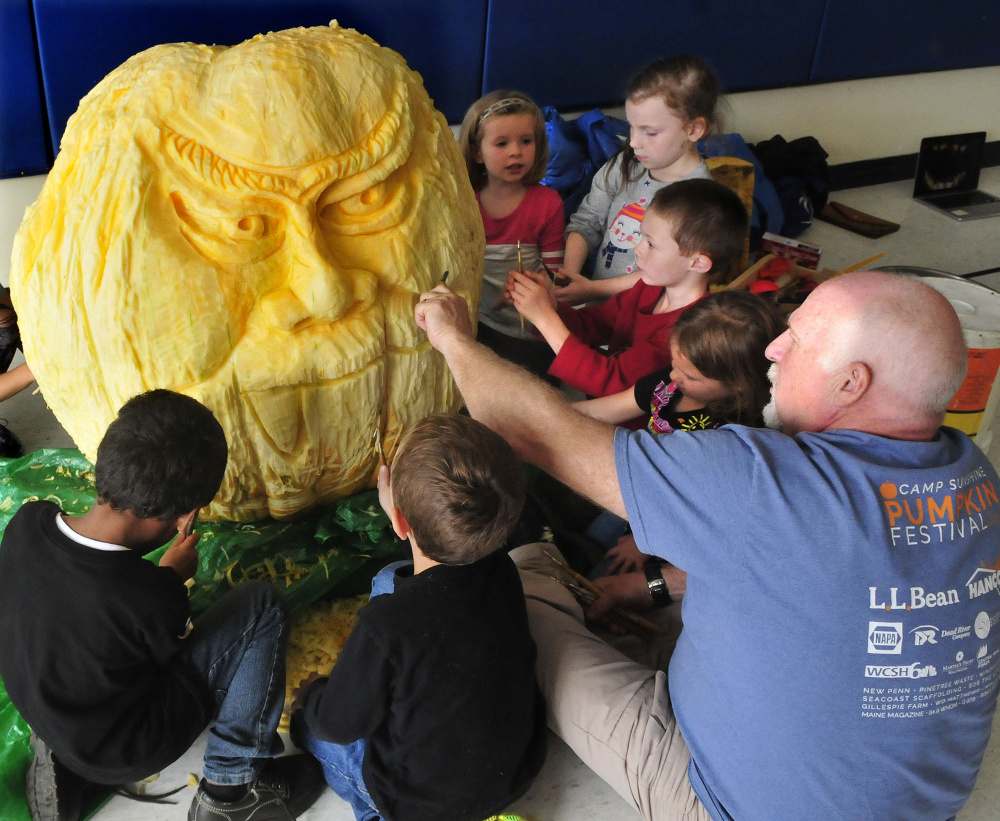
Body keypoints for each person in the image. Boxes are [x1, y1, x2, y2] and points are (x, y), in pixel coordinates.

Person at [413, 271, 1000, 821]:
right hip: (919, 804)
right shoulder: (974, 476)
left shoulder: (764, 482)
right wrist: (652, 586)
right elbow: (808, 568)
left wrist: (450, 336)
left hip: (736, 806)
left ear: (852, 382)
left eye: (795, 339)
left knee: (523, 583)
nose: (774, 350)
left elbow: (524, 429)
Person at [0, 389, 324, 821]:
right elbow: (165, 641)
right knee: (261, 606)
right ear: (182, 517)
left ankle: (61, 755)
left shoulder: (27, 521)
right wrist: (174, 576)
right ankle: (231, 792)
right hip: (131, 747)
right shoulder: (149, 596)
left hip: (49, 710)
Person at [291, 413, 548, 821]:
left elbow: (338, 726)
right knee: (392, 578)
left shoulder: (387, 626)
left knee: (309, 730)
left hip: (422, 805)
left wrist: (312, 694)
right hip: (510, 775)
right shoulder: (503, 570)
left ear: (398, 521)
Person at [576, 289, 785, 573]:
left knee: (603, 572)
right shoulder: (670, 384)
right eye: (674, 363)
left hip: (675, 528)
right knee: (587, 543)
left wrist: (644, 543)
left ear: (740, 383)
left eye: (691, 376)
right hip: (644, 494)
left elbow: (705, 506)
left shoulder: (732, 434)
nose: (674, 376)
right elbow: (602, 410)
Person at [508, 178, 747, 398]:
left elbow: (612, 380)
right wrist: (551, 306)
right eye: (642, 238)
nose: (638, 249)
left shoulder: (690, 332)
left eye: (651, 244)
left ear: (697, 263)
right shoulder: (648, 288)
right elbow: (593, 324)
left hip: (632, 435)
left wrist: (545, 318)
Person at [556, 55, 720, 306]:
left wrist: (591, 289)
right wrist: (571, 277)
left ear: (694, 129)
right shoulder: (624, 164)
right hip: (596, 307)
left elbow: (665, 273)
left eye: (650, 132)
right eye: (632, 127)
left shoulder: (699, 198)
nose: (633, 142)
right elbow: (586, 222)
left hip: (643, 319)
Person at [458, 90, 566, 377]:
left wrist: (529, 285)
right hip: (478, 325)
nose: (516, 152)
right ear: (477, 151)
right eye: (502, 143)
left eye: (526, 141)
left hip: (530, 330)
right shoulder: (462, 201)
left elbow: (554, 273)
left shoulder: (548, 203)